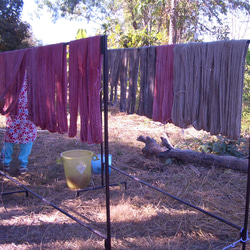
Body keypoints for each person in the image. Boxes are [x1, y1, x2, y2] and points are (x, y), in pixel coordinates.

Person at [1, 76, 37, 174]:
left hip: (28, 114)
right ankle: (5, 162)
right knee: (10, 138)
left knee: (26, 139)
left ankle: (22, 164)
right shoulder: (11, 74)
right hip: (14, 113)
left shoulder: (33, 75)